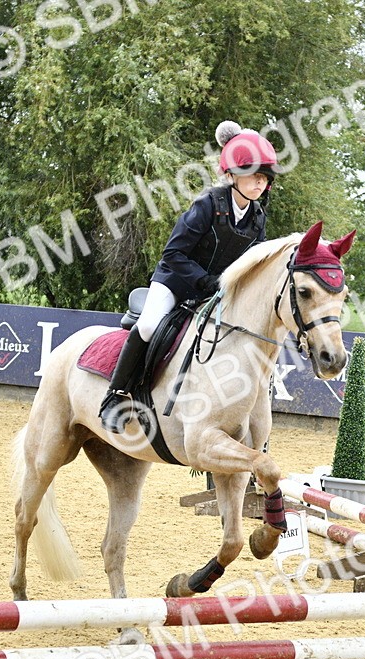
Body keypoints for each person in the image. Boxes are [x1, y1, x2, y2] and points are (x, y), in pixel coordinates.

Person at [99, 121, 281, 433]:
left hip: (214, 293)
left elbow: (253, 264)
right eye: (252, 174)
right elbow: (173, 254)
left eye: (264, 177)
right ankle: (116, 395)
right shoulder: (207, 205)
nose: (259, 183)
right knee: (149, 324)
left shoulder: (257, 218)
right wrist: (204, 281)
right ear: (231, 175)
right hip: (175, 281)